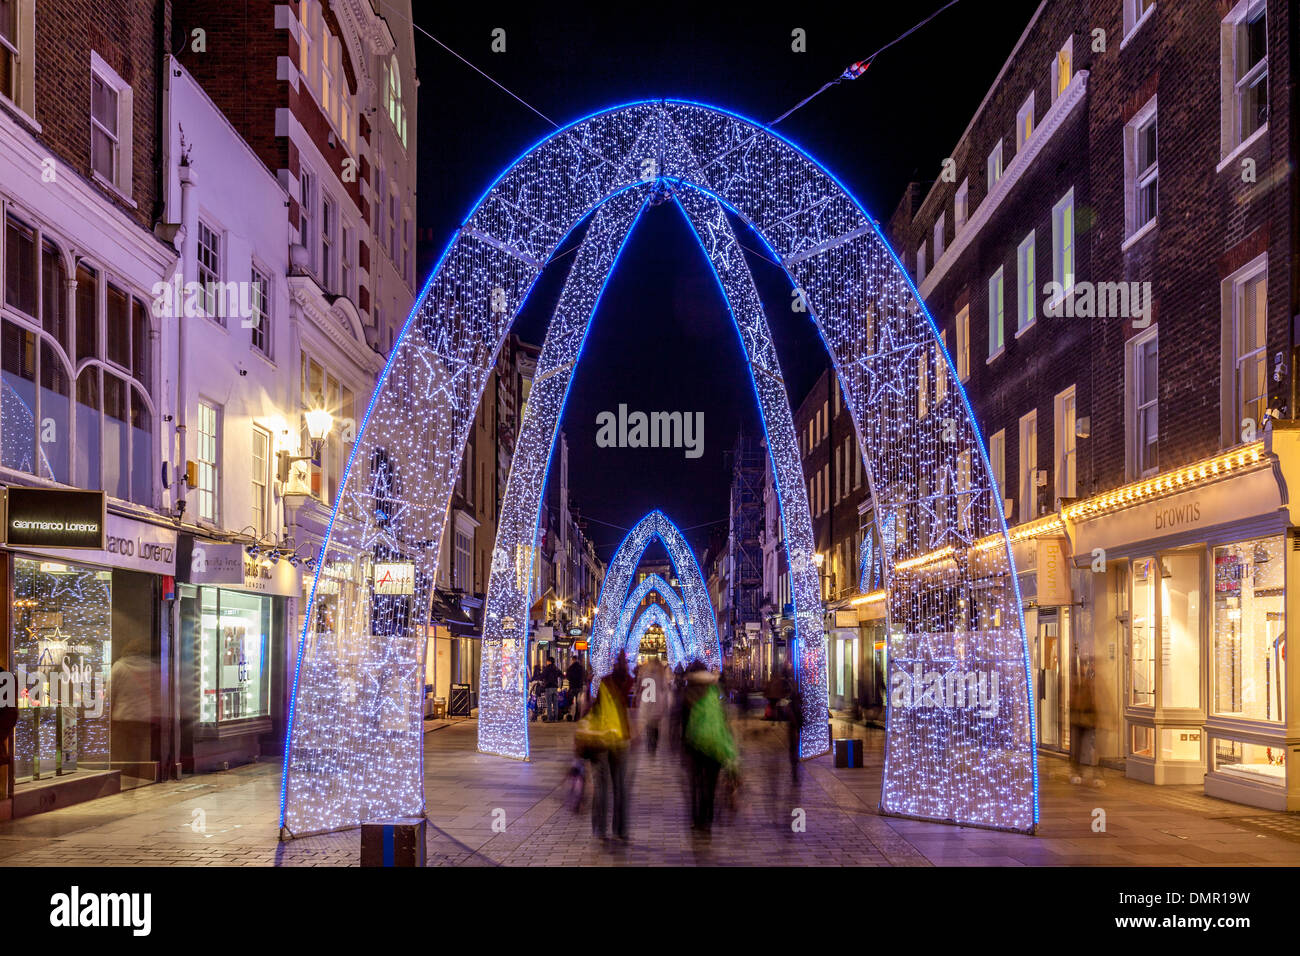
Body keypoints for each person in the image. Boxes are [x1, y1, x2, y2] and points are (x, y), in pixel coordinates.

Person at [681, 660, 736, 836]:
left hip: (695, 745)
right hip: (715, 743)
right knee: (710, 784)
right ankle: (708, 818)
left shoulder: (687, 692)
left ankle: (697, 818)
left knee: (696, 783)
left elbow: (681, 720)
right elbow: (724, 718)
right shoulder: (715, 692)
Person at [583, 651, 634, 841]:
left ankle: (599, 828)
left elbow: (595, 706)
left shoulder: (605, 682)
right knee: (620, 786)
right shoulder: (628, 681)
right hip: (621, 737)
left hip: (603, 737)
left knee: (601, 786)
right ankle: (621, 830)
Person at [1069, 654, 1101, 787]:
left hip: (1087, 717)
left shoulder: (1088, 681)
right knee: (1079, 747)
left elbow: (1093, 699)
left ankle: (1090, 773)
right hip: (1078, 718)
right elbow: (1075, 701)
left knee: (1091, 746)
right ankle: (1077, 771)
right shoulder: (1077, 683)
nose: (1085, 668)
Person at [637, 656, 667, 755]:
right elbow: (664, 688)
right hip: (657, 701)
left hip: (647, 702)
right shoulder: (661, 674)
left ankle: (650, 743)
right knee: (655, 725)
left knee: (649, 724)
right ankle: (653, 744)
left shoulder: (645, 673)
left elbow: (641, 687)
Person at [565, 656, 586, 720]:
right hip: (579, 686)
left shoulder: (570, 668)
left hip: (572, 686)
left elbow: (568, 677)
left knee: (570, 701)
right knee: (578, 702)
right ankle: (577, 716)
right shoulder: (581, 668)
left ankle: (570, 714)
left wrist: (571, 680)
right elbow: (584, 676)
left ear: (572, 660)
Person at [540, 656, 561, 722]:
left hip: (548, 687)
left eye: (547, 661)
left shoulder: (547, 669)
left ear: (549, 661)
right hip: (555, 687)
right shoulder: (556, 668)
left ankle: (550, 718)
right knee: (555, 704)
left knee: (549, 704)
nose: (546, 662)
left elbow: (542, 676)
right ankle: (556, 718)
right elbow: (561, 675)